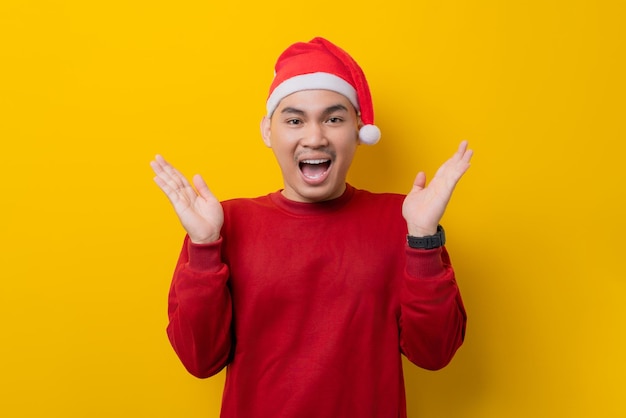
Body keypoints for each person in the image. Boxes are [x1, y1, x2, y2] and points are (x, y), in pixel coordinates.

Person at [150, 37, 473, 418]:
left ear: (358, 128)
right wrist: (204, 246)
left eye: (333, 119)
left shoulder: (401, 219)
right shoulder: (221, 223)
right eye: (294, 120)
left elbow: (434, 354)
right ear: (269, 132)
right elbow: (199, 360)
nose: (315, 137)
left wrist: (422, 239)